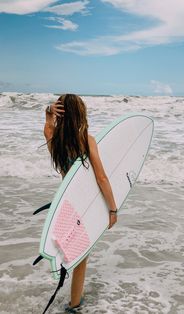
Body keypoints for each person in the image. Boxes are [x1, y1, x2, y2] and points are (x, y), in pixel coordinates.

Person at [44, 94, 118, 313]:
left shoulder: (52, 137)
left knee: (74, 251)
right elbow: (101, 177)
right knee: (81, 257)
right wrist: (113, 209)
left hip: (66, 204)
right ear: (80, 114)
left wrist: (49, 112)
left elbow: (48, 125)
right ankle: (74, 305)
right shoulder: (86, 139)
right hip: (85, 205)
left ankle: (75, 297)